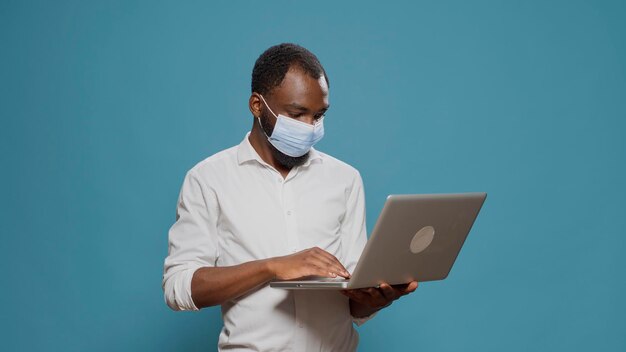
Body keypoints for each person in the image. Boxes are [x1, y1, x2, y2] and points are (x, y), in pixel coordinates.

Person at [162, 43, 418, 351]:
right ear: (257, 105)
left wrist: (377, 300)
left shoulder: (345, 179)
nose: (309, 128)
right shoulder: (208, 179)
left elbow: (353, 304)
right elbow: (179, 288)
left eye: (319, 116)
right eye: (297, 114)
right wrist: (272, 267)